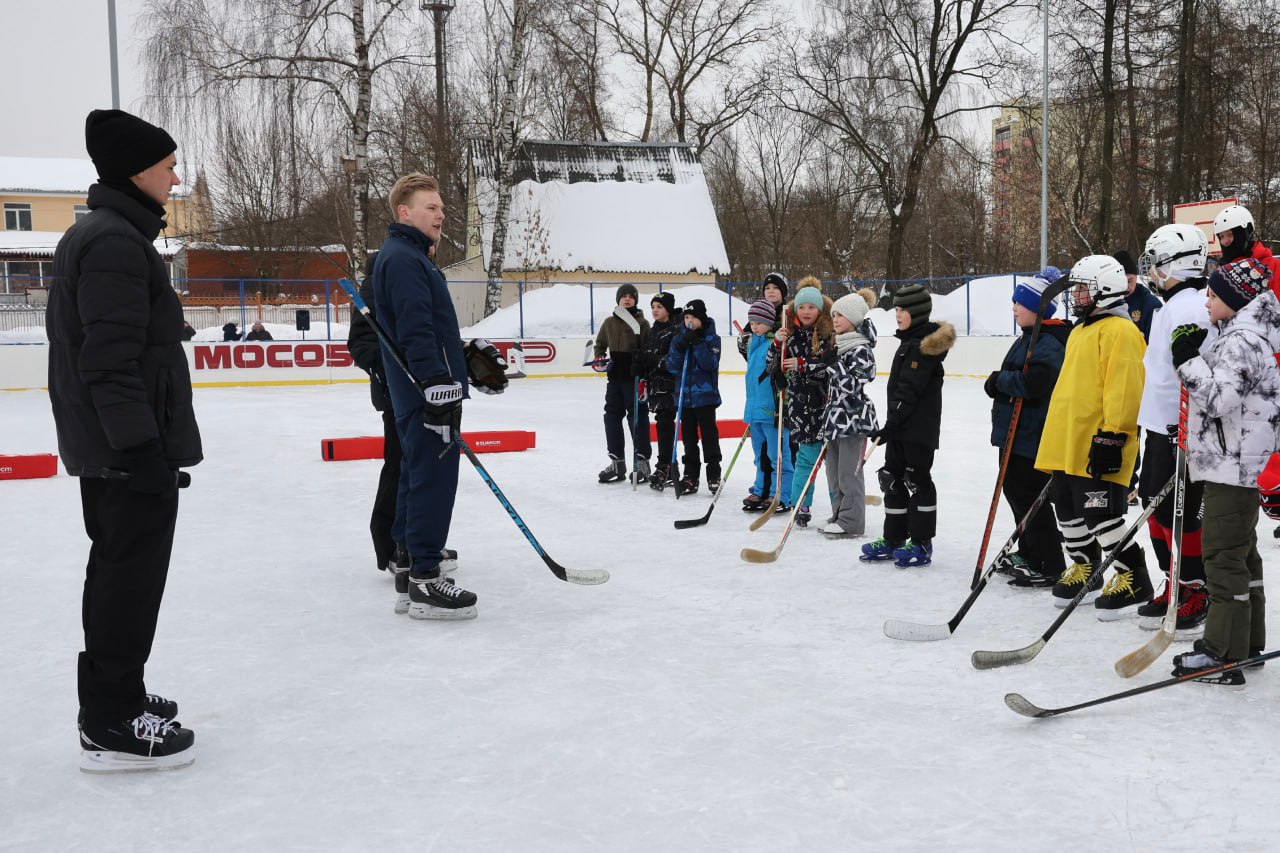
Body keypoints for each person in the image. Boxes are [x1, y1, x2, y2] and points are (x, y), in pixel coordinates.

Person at [48, 109, 201, 771]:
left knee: (120, 573)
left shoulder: (114, 235)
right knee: (126, 580)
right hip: (125, 454)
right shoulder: (113, 243)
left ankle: (120, 693)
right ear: (137, 170)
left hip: (118, 449)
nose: (176, 174)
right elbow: (108, 362)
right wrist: (140, 452)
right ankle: (110, 720)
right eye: (168, 163)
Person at [371, 172, 502, 621]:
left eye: (442, 208)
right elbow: (415, 330)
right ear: (404, 212)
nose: (441, 215)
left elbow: (429, 330)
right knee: (433, 480)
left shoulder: (408, 256)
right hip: (425, 392)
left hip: (421, 390)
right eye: (432, 207)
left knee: (415, 474)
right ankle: (427, 577)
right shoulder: (405, 260)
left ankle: (409, 563)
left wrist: (464, 361)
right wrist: (436, 383)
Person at [1169, 257, 1278, 683]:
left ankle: (1222, 652)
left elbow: (1218, 401)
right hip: (1236, 461)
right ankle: (1245, 643)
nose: (1207, 299)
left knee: (1222, 556)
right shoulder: (1243, 336)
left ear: (1234, 298)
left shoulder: (1241, 341)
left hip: (1231, 465)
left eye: (1214, 293)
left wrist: (1185, 359)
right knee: (1242, 556)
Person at [1033, 255, 1152, 618]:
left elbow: (1125, 390)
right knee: (1067, 510)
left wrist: (1113, 436)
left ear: (1104, 289)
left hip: (1098, 444)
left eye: (1083, 289)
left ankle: (1134, 575)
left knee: (1101, 516)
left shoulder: (1122, 332)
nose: (1076, 296)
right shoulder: (1081, 330)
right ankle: (1085, 567)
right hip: (1068, 441)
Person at [1133, 224, 1214, 630]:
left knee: (1178, 510)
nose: (1152, 272)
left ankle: (1195, 587)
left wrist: (1188, 426)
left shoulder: (1193, 305)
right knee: (1154, 504)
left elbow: (1196, 371)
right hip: (1159, 426)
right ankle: (1175, 580)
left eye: (1158, 264)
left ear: (1179, 264)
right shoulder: (1173, 304)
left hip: (1181, 429)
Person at [984, 268, 1070, 588]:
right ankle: (1030, 550)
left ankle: (1048, 561)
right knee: (1017, 494)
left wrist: (999, 381)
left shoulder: (1049, 341)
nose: (1014, 308)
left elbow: (1036, 382)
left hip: (1030, 434)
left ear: (1037, 307)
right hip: (1014, 434)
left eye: (1019, 303)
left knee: (1028, 497)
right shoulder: (1029, 338)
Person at [860, 283, 955, 567]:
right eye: (897, 309)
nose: (898, 314)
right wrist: (892, 426)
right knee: (891, 478)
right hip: (901, 428)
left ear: (918, 313)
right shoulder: (909, 342)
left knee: (917, 482)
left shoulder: (923, 348)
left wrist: (891, 425)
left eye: (903, 310)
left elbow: (909, 391)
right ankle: (894, 539)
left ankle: (922, 543)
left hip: (918, 432)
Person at [768, 280, 835, 527]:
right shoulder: (790, 336)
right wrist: (776, 344)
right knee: (806, 459)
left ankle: (839, 506)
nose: (806, 311)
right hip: (800, 409)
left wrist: (803, 364)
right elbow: (771, 365)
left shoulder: (830, 335)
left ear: (820, 310)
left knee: (833, 462)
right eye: (802, 307)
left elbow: (831, 366)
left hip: (826, 407)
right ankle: (800, 504)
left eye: (811, 307)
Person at [820, 288, 879, 538]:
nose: (835, 319)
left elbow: (854, 386)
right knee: (833, 472)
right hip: (835, 419)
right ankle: (839, 514)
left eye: (841, 315)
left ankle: (852, 521)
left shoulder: (861, 349)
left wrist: (833, 366)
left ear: (854, 319)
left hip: (853, 419)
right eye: (834, 315)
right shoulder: (840, 345)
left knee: (848, 473)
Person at [591, 284, 652, 484]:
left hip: (634, 379)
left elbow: (648, 350)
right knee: (611, 417)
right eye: (623, 296)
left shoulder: (642, 324)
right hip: (615, 378)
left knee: (638, 417)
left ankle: (642, 463)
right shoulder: (609, 322)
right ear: (618, 300)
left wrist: (641, 366)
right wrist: (600, 357)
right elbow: (600, 344)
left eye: (631, 296)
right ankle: (617, 462)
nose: (627, 299)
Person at [665, 298, 722, 495]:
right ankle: (690, 476)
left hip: (705, 398)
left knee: (709, 436)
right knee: (689, 438)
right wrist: (681, 346)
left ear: (702, 319)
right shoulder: (679, 337)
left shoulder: (712, 339)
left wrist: (697, 344)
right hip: (684, 398)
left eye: (693, 317)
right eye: (686, 317)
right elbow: (671, 366)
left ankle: (714, 473)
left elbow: (710, 364)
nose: (689, 321)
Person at [742, 299, 793, 511]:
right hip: (755, 411)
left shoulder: (777, 341)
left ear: (769, 321)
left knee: (778, 456)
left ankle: (780, 495)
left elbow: (781, 368)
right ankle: (762, 489)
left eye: (758, 322)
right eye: (751, 321)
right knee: (760, 456)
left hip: (772, 410)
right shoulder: (754, 342)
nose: (754, 325)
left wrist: (779, 343)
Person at [635, 292, 682, 491]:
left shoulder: (675, 330)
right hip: (656, 387)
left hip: (671, 387)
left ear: (668, 310)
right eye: (653, 306)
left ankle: (665, 466)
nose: (655, 310)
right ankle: (670, 467)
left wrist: (652, 359)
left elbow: (672, 360)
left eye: (659, 307)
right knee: (663, 425)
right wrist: (639, 364)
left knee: (664, 424)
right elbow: (648, 356)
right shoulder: (653, 331)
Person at [1214, 204, 1280, 284]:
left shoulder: (1274, 267)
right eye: (1221, 237)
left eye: (1230, 234)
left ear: (1245, 234)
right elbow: (1210, 296)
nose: (1225, 241)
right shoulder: (1221, 272)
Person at [1114, 249, 1161, 342]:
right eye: (1121, 281)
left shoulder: (1151, 305)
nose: (1126, 286)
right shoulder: (1103, 304)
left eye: (1130, 280)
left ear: (1136, 277)